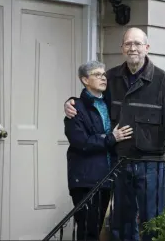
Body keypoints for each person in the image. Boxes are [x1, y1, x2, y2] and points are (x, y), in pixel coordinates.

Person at [64, 28, 165, 241]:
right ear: (122, 49)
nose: (133, 48)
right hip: (119, 164)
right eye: (128, 44)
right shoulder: (111, 78)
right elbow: (91, 98)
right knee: (121, 224)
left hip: (151, 165)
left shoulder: (161, 80)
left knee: (153, 222)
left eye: (138, 44)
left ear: (146, 48)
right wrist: (70, 103)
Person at [64, 60, 133, 241]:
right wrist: (112, 137)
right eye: (97, 74)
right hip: (85, 180)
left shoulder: (108, 103)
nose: (103, 78)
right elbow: (82, 142)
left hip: (106, 177)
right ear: (85, 80)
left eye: (104, 75)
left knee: (96, 228)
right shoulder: (75, 109)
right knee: (88, 231)